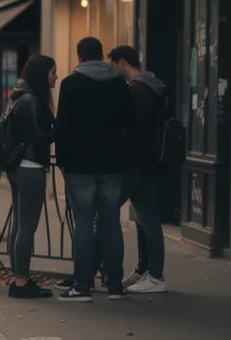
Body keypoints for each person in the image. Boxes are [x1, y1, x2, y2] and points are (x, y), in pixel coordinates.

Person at [54, 37, 135, 303]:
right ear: (102, 56)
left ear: (78, 58)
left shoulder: (70, 84)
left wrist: (63, 161)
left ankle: (82, 286)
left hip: (80, 164)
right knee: (111, 221)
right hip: (112, 164)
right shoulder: (119, 84)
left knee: (84, 224)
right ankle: (114, 285)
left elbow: (62, 127)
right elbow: (129, 123)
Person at [107, 45, 170, 294]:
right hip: (151, 162)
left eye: (113, 65)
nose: (112, 71)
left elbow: (132, 130)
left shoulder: (136, 90)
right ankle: (147, 270)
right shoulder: (153, 86)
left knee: (109, 212)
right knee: (147, 217)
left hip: (135, 164)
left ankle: (153, 274)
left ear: (122, 63)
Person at [5, 54, 58, 299]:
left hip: (17, 166)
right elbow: (38, 139)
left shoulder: (18, 95)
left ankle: (17, 276)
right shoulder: (32, 100)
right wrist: (60, 130)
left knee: (19, 224)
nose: (55, 76)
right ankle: (22, 281)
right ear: (42, 73)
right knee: (27, 225)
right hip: (30, 166)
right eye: (52, 72)